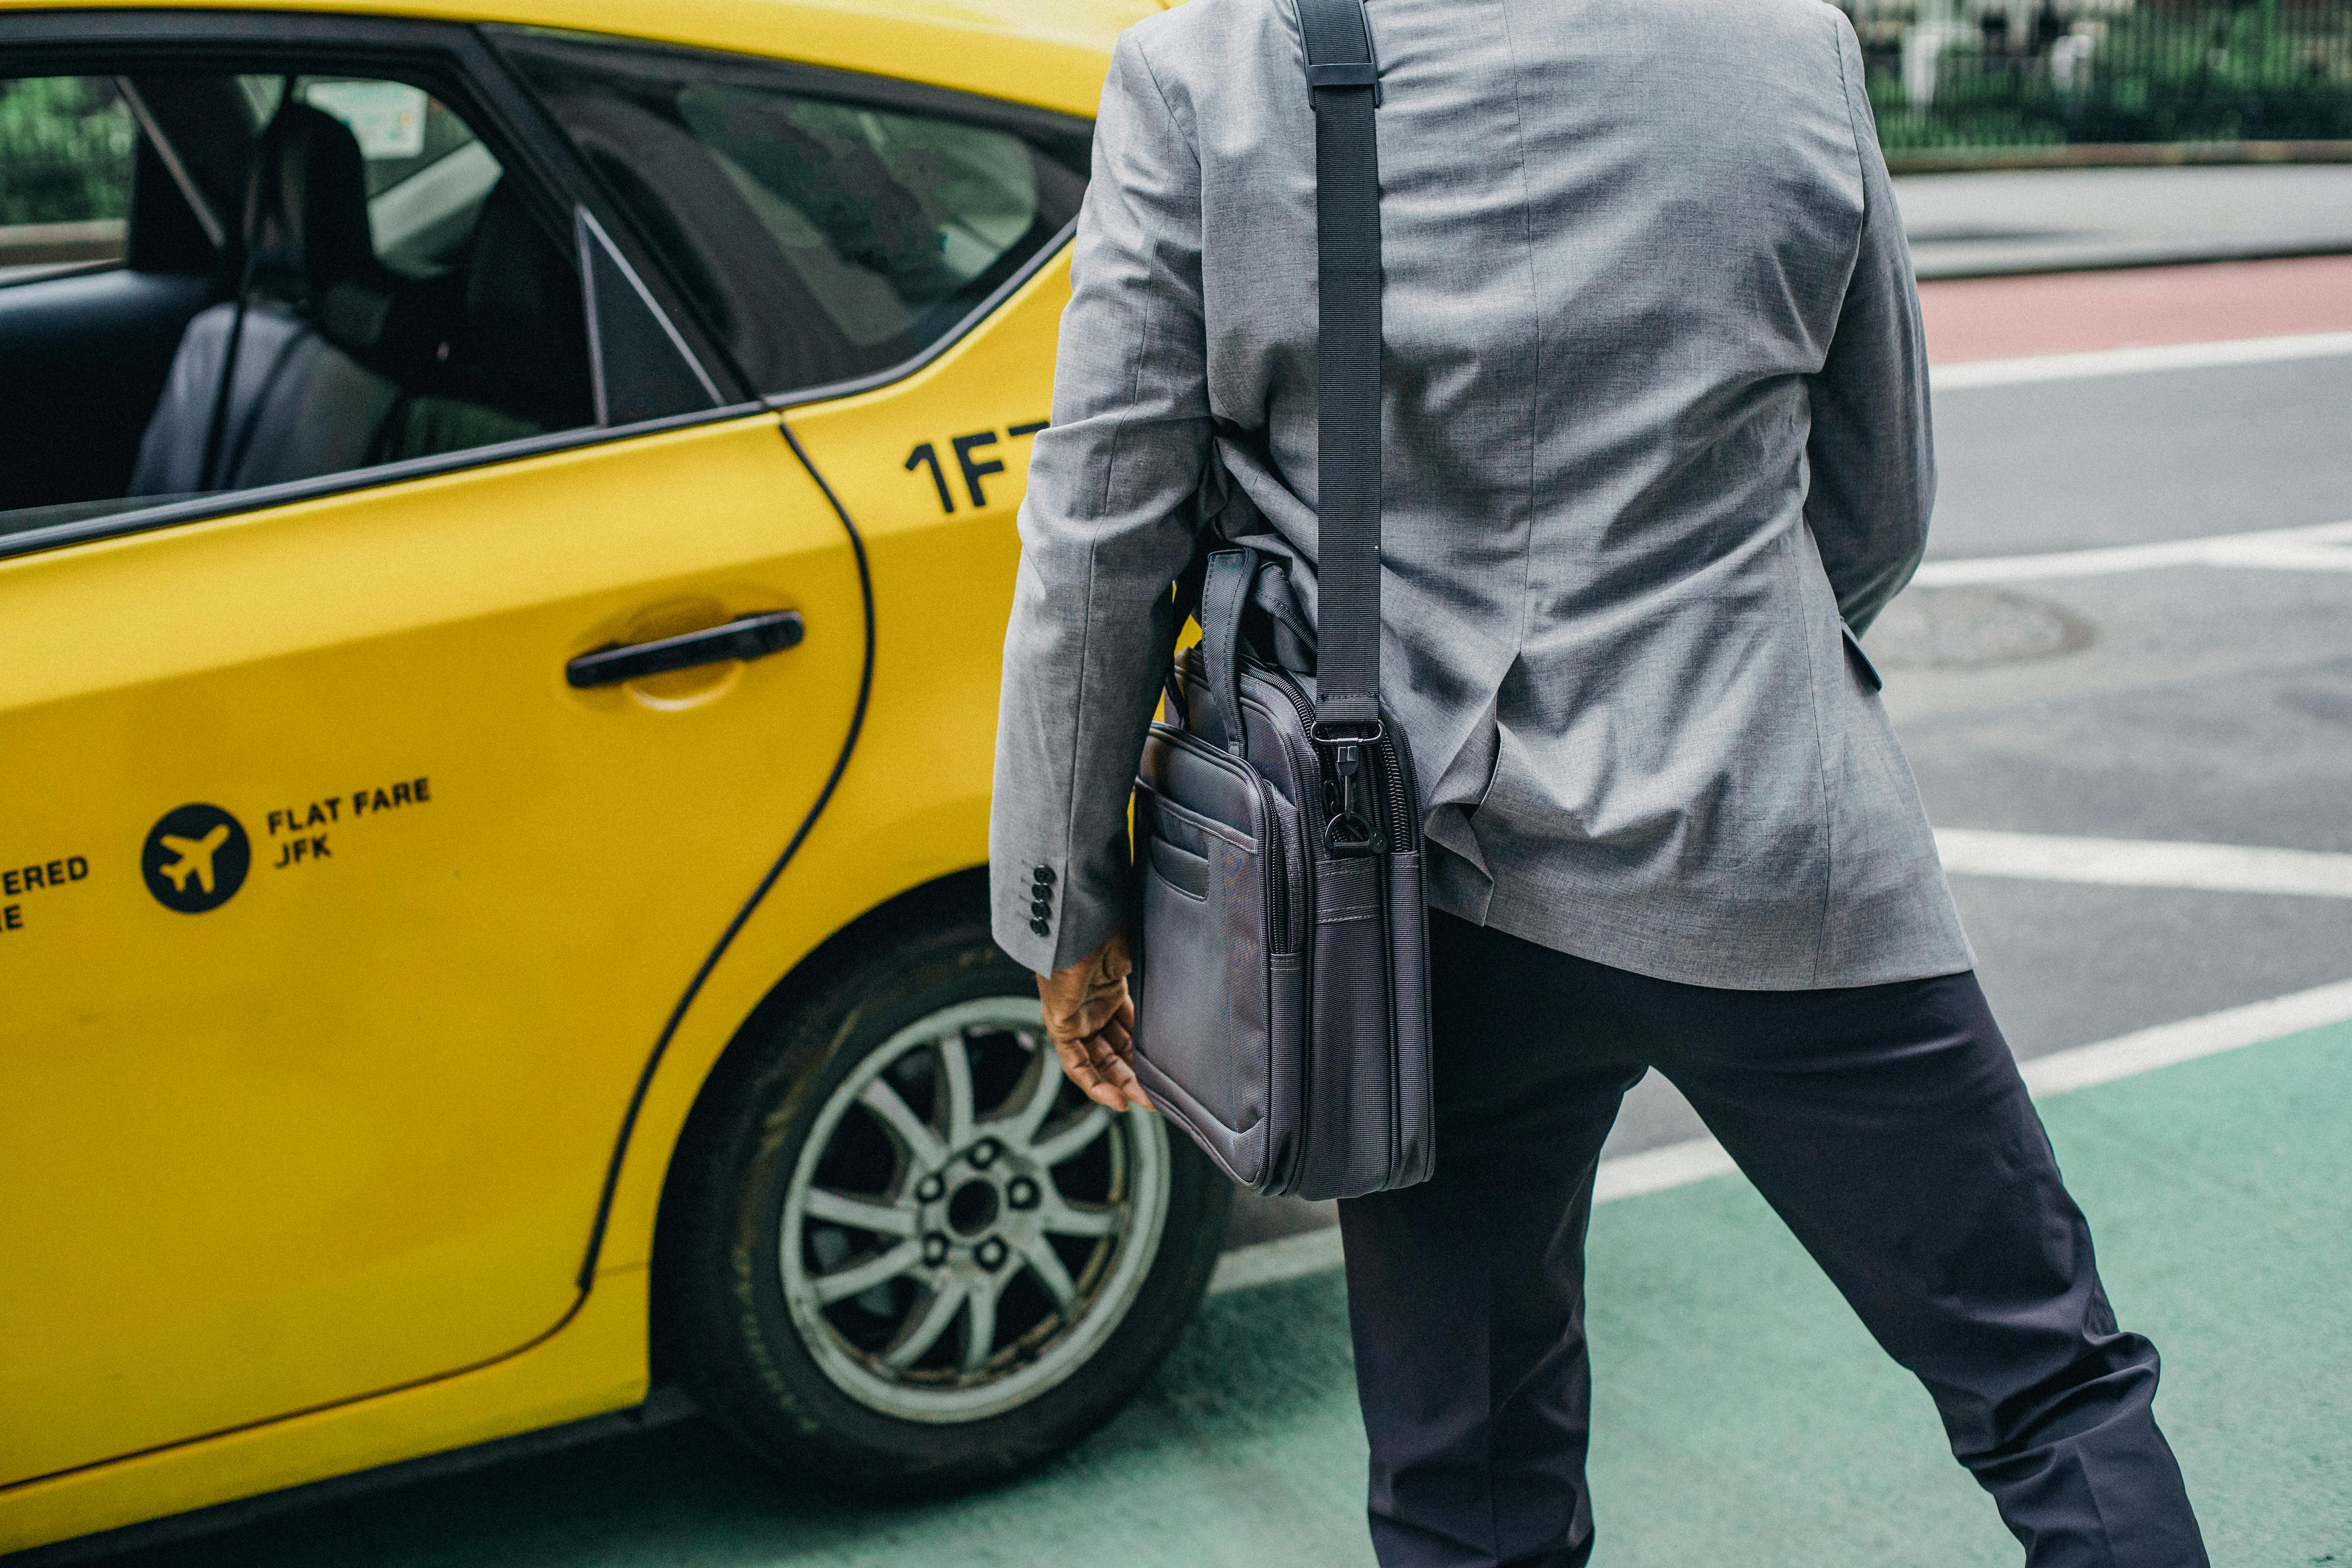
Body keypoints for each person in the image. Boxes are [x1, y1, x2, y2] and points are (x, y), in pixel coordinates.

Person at [987, 0, 2209, 1562]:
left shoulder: (1217, 71)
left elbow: (1102, 536)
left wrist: (1069, 904)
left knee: (1470, 1475)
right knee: (2047, 1386)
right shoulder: (1792, 47)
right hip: (1774, 847)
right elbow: (1878, 497)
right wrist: (1731, 676)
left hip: (1402, 892)